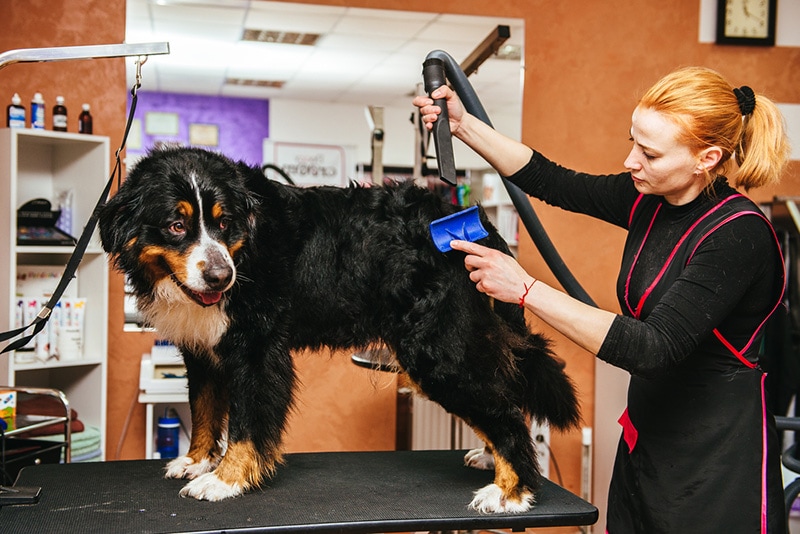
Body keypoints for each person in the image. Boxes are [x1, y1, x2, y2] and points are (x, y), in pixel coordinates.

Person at [414, 66, 791, 533]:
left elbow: (654, 348)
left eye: (649, 153)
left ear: (707, 158)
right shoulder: (649, 198)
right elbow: (551, 180)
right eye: (632, 141)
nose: (632, 161)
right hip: (650, 436)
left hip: (717, 455)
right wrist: (464, 126)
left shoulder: (738, 234)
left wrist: (526, 289)